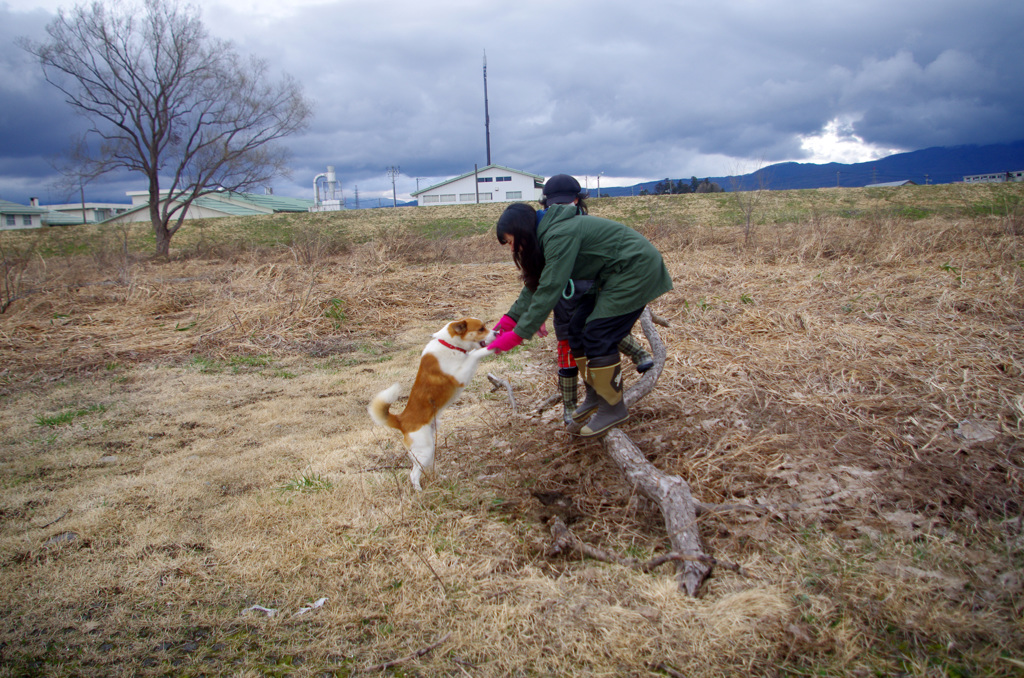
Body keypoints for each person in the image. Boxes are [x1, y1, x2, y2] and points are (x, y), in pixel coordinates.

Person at [484, 176, 673, 438]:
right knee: (576, 328)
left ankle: (613, 407)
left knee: (598, 333)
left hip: (634, 271)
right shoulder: (547, 234)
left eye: (512, 241)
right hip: (612, 276)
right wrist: (507, 323)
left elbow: (551, 287)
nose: (513, 248)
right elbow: (535, 285)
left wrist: (517, 335)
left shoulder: (558, 234)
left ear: (523, 230)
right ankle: (596, 395)